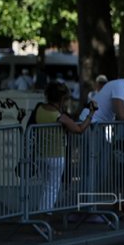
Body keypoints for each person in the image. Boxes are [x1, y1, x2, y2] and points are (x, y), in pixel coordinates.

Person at [34, 82, 94, 212]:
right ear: (61, 99)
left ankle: (42, 215)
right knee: (52, 188)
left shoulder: (39, 108)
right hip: (55, 156)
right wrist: (91, 114)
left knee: (46, 187)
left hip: (40, 155)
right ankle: (45, 218)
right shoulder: (59, 116)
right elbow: (79, 129)